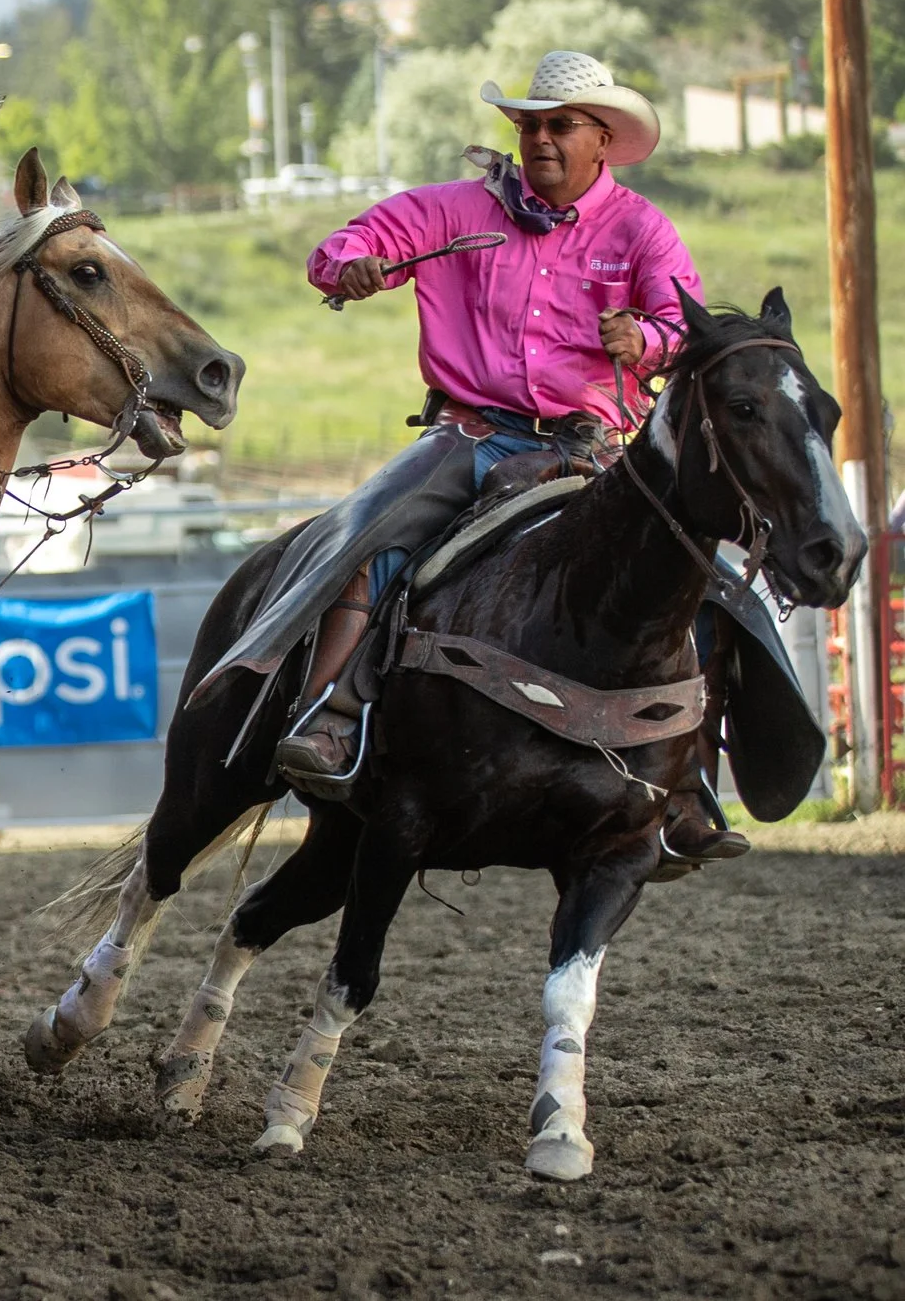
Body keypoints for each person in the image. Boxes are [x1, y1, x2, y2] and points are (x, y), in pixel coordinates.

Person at [205, 51, 744, 866]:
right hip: (469, 434)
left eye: (559, 125)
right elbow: (343, 245)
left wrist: (650, 339)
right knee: (371, 530)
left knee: (692, 571)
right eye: (528, 125)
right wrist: (349, 267)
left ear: (603, 138)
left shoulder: (641, 229)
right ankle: (331, 712)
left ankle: (686, 773)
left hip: (590, 446)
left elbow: (683, 323)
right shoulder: (455, 210)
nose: (540, 140)